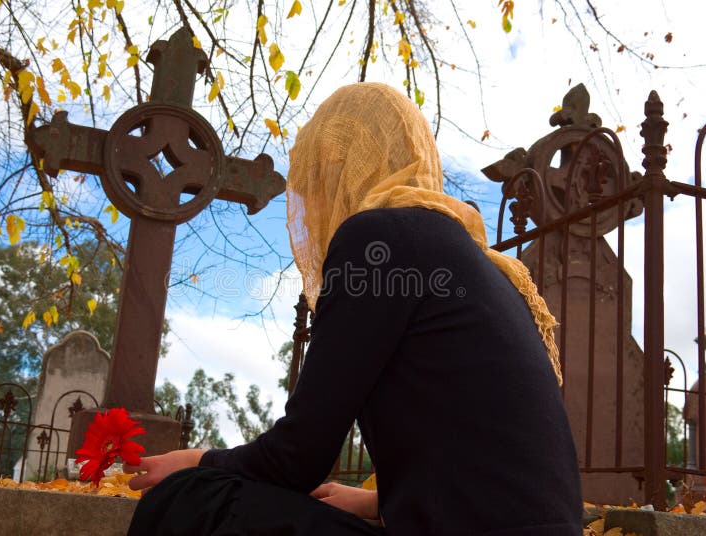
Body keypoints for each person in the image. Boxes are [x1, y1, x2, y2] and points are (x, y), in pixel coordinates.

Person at [125, 82, 582, 535]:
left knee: (189, 500)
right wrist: (381, 503)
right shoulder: (474, 260)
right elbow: (480, 451)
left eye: (320, 174)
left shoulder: (378, 238)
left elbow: (296, 459)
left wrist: (197, 460)